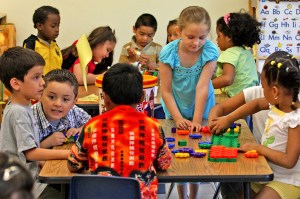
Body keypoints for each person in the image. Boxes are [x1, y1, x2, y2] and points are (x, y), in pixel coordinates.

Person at [67, 63, 172, 198]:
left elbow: (73, 164)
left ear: (105, 98)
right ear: (142, 97)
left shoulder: (92, 126)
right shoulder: (153, 126)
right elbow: (164, 163)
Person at [209, 51, 300, 199]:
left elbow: (289, 161)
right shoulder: (277, 104)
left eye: (263, 87)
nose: (262, 91)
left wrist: (258, 148)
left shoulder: (295, 119)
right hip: (266, 172)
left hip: (288, 181)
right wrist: (228, 119)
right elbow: (256, 103)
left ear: (275, 91)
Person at [159, 6, 218, 199]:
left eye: (202, 37)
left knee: (198, 151)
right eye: (191, 37)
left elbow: (202, 87)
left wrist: (197, 120)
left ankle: (194, 195)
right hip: (176, 107)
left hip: (202, 108)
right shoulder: (168, 53)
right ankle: (182, 195)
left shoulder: (209, 51)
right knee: (179, 153)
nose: (196, 43)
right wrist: (177, 118)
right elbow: (166, 91)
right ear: (179, 32)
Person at [0, 47, 70, 197]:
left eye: (42, 76)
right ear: (16, 83)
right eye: (36, 77)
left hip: (31, 178)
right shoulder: (18, 112)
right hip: (25, 186)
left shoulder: (24, 107)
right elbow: (30, 153)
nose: (43, 83)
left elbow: (29, 147)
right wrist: (68, 154)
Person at [32, 69, 91, 149]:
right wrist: (47, 143)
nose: (58, 104)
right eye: (51, 97)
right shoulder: (29, 118)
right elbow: (26, 153)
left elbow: (93, 125)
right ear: (40, 95)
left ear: (73, 102)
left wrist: (80, 130)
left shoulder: (73, 111)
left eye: (65, 99)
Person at [212, 12, 261, 97]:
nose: (217, 40)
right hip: (251, 98)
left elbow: (227, 79)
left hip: (237, 100)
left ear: (229, 37)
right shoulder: (246, 53)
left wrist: (205, 85)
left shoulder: (229, 53)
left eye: (218, 36)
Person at [23, 5, 62, 75]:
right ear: (40, 26)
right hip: (40, 84)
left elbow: (60, 67)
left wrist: (71, 56)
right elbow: (27, 70)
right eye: (53, 26)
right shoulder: (31, 44)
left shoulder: (55, 46)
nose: (57, 29)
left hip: (55, 84)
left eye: (58, 25)